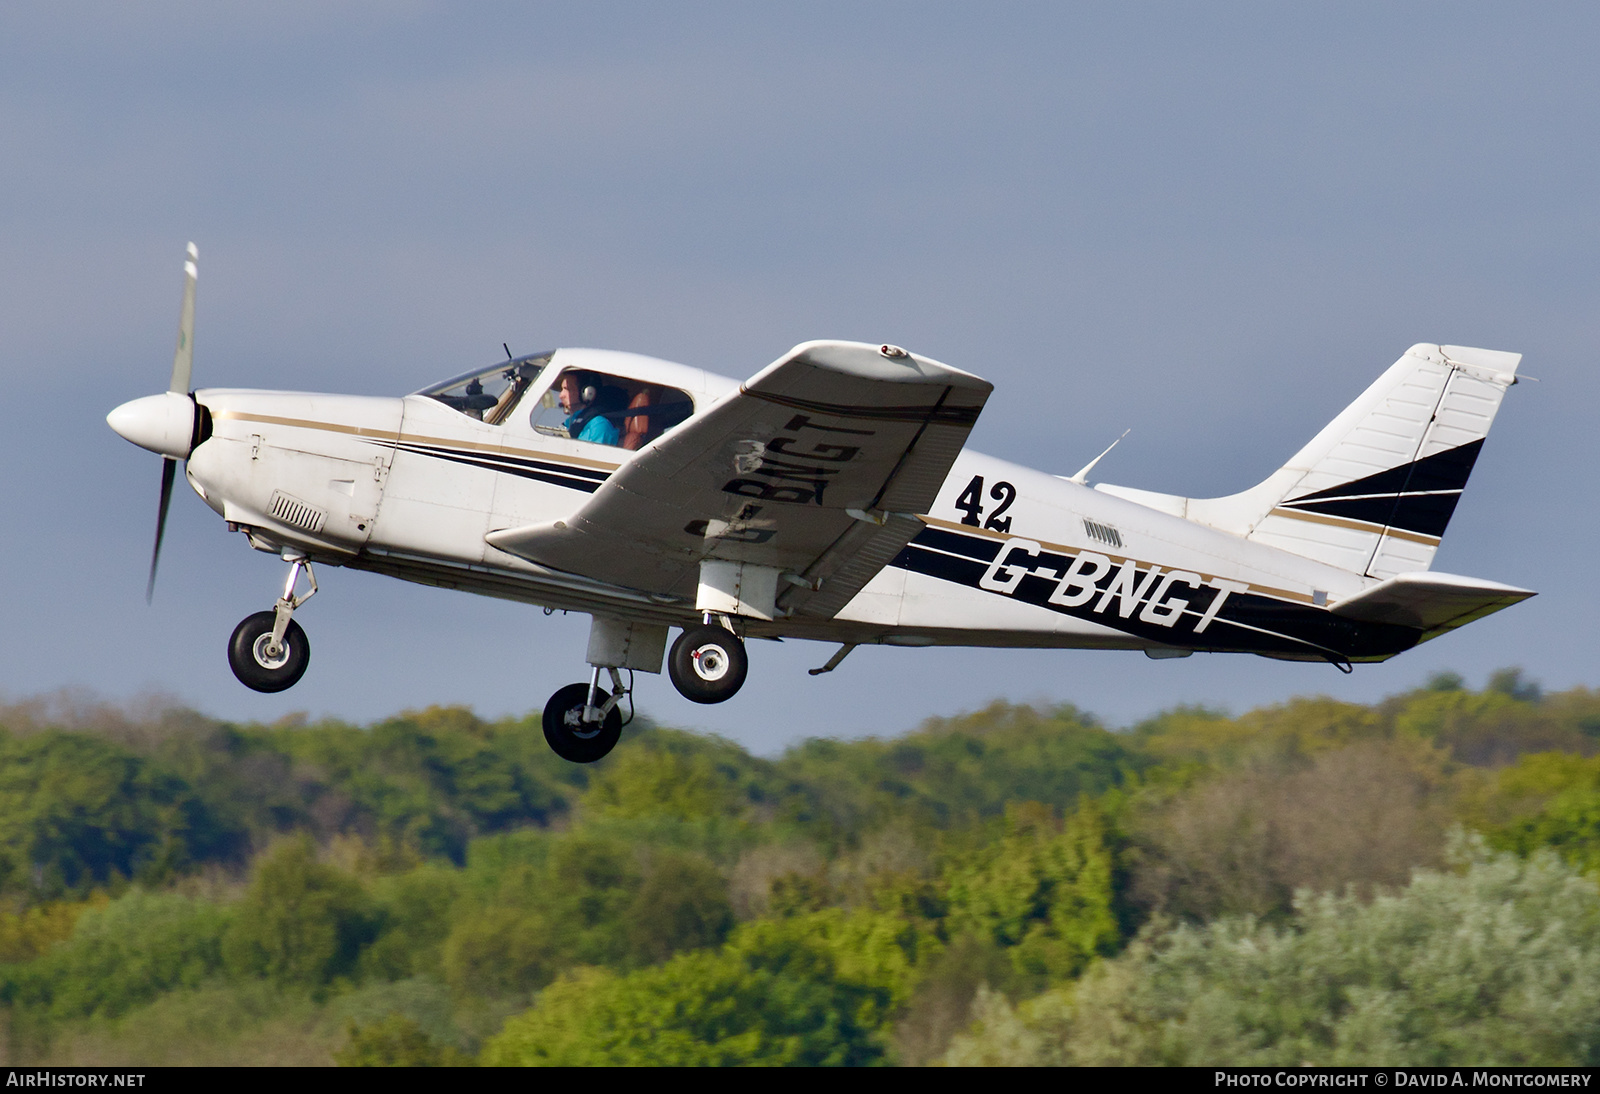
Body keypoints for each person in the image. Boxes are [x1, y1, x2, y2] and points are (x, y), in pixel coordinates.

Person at [557, 372, 621, 446]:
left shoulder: (598, 425)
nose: (561, 395)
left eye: (568, 389)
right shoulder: (570, 422)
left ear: (588, 393)